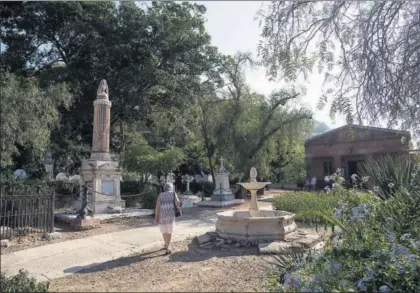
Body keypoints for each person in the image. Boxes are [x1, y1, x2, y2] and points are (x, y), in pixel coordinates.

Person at [155, 182, 181, 255]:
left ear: (164, 188)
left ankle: (166, 244)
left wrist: (156, 216)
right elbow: (178, 203)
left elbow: (157, 207)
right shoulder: (173, 193)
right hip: (170, 216)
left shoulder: (160, 195)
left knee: (164, 231)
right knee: (169, 232)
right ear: (171, 187)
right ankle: (168, 248)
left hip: (162, 216)